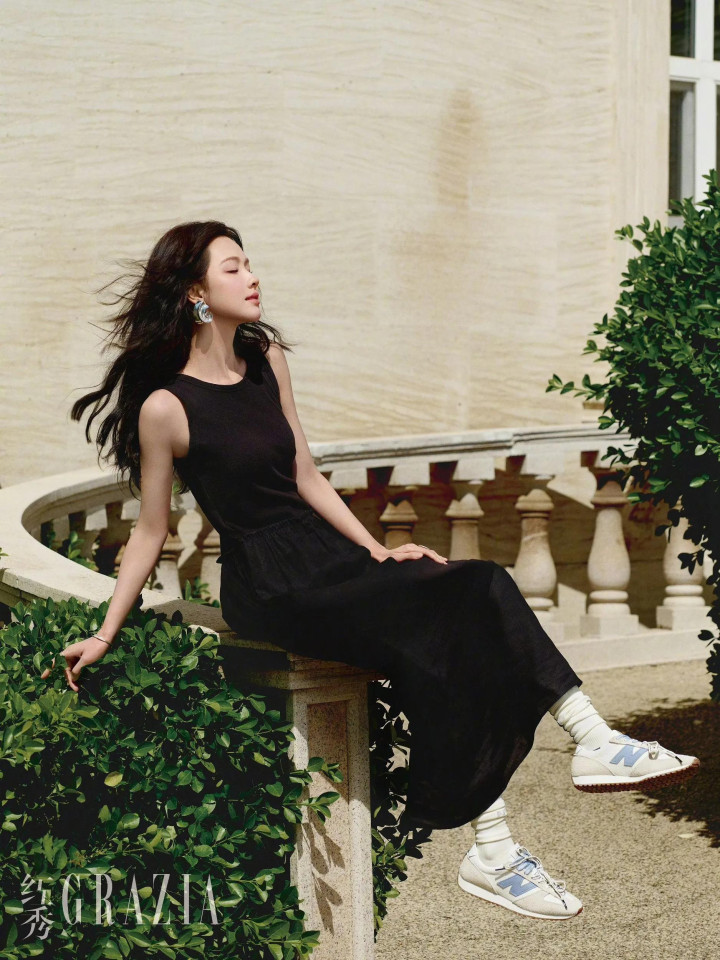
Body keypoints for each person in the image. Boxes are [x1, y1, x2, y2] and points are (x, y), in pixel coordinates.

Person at [42, 221, 700, 921]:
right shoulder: (166, 407)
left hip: (327, 558)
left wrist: (379, 551)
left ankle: (526, 814)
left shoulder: (265, 359)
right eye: (234, 268)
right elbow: (151, 529)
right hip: (269, 583)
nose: (253, 277)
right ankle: (562, 776)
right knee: (460, 603)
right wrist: (106, 634)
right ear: (195, 292)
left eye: (250, 263)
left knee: (470, 595)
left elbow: (305, 473)